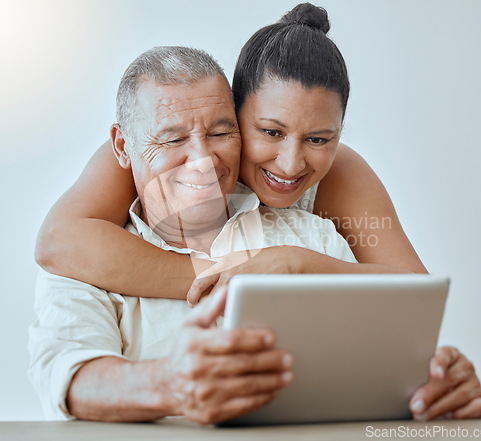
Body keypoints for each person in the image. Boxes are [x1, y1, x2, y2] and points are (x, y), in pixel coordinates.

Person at [33, 3, 481, 420]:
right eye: (270, 131)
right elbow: (68, 360)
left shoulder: (321, 229)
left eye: (219, 131)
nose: (290, 163)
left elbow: (409, 310)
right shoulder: (101, 230)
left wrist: (434, 381)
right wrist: (221, 286)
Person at [29, 46, 357, 423]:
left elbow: (380, 355)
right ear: (123, 146)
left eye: (220, 132)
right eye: (172, 140)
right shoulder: (85, 259)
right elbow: (71, 379)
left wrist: (431, 379)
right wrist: (169, 385)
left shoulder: (315, 238)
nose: (203, 160)